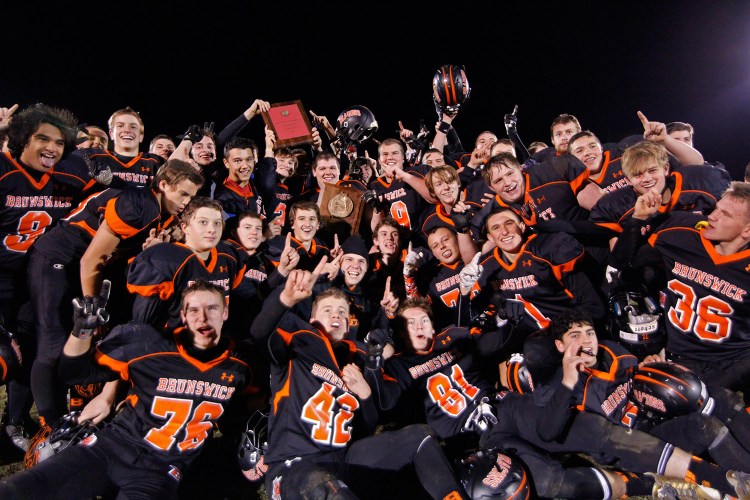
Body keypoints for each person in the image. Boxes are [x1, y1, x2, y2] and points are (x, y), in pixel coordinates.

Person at [364, 298, 661, 500]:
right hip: (476, 441)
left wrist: (509, 322)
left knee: (575, 431)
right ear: (400, 333)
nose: (418, 327)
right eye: (410, 323)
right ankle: (642, 484)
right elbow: (386, 403)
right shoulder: (399, 366)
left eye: (423, 320)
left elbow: (496, 342)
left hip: (506, 408)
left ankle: (645, 461)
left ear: (433, 324)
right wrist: (375, 362)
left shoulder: (454, 337)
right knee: (548, 482)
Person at [0, 280, 252, 498]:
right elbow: (73, 373)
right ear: (183, 316)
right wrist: (82, 331)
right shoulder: (151, 345)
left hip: (162, 468)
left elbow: (254, 409)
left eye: (212, 308)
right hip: (112, 447)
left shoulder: (243, 363)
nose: (203, 317)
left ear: (225, 312)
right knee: (18, 490)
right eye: (194, 310)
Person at [248, 264, 470, 499]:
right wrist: (285, 298)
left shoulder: (356, 356)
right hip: (296, 465)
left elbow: (366, 428)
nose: (337, 315)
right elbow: (260, 332)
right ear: (312, 318)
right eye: (328, 310)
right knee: (327, 488)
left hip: (344, 461)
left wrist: (365, 395)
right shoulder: (298, 343)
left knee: (419, 437)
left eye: (343, 312)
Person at [26, 160, 203, 439]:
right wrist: (91, 307)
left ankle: (79, 404)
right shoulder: (138, 204)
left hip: (83, 264)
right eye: (183, 194)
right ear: (164, 185)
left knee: (106, 331)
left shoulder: (158, 208)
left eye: (191, 197)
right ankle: (50, 427)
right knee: (53, 342)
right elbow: (91, 259)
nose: (186, 202)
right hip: (58, 258)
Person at [0, 103, 90, 450]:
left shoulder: (69, 175)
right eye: (42, 138)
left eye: (58, 142)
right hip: (3, 278)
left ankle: (14, 422)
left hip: (33, 281)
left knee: (27, 352)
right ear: (21, 138)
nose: (52, 148)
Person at [610, 181, 750, 395]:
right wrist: (637, 220)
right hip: (671, 354)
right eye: (717, 208)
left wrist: (713, 384)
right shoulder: (682, 231)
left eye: (726, 215)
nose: (712, 216)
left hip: (726, 366)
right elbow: (621, 264)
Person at [475, 208, 605, 338]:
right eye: (496, 228)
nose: (504, 231)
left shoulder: (545, 250)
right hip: (531, 336)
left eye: (509, 223)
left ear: (522, 226)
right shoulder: (487, 267)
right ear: (490, 238)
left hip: (571, 329)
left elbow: (592, 305)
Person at [127, 197, 246, 329]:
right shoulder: (167, 259)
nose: (212, 229)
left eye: (217, 223)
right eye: (203, 222)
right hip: (173, 345)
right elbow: (142, 325)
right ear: (185, 227)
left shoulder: (229, 257)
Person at [72, 106, 163, 189]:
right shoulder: (93, 157)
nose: (127, 130)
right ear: (111, 134)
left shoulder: (155, 162)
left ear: (141, 136)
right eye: (120, 126)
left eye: (133, 127)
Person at [368, 138, 434, 235]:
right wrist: (377, 210)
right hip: (395, 245)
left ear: (403, 158)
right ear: (379, 160)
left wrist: (403, 176)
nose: (390, 157)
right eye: (385, 154)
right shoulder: (374, 186)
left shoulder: (418, 171)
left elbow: (435, 197)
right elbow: (376, 232)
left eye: (395, 153)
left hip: (425, 240)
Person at [265, 201, 330, 272]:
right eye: (301, 219)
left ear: (318, 224)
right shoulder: (277, 245)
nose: (307, 224)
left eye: (312, 219)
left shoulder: (323, 248)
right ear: (292, 224)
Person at [213, 136, 265, 218]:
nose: (245, 166)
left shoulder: (257, 182)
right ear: (226, 163)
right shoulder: (222, 198)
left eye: (249, 159)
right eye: (237, 161)